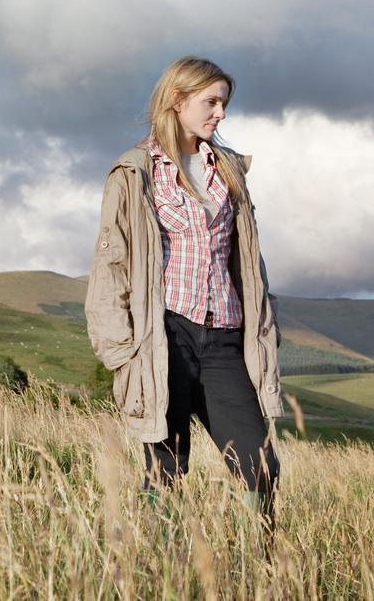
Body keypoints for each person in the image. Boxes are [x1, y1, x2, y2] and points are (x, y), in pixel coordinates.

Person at [85, 55, 283, 528]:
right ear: (178, 100)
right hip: (164, 336)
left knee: (260, 468)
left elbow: (249, 263)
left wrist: (265, 330)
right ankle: (160, 569)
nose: (221, 113)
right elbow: (111, 264)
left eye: (224, 104)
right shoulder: (135, 172)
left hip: (224, 338)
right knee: (166, 470)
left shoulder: (229, 169)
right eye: (211, 102)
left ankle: (262, 566)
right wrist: (121, 351)